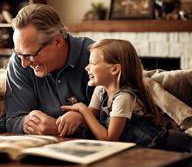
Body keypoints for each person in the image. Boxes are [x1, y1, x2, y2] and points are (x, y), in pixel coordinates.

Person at [61, 39, 191, 151]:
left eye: (92, 63)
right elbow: (91, 118)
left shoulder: (123, 98)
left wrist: (82, 109)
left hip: (165, 143)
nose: (86, 68)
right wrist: (75, 115)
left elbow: (109, 138)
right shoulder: (101, 90)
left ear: (115, 69)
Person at [5, 3, 95, 136]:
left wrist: (80, 122)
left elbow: (115, 122)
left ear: (57, 41)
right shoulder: (19, 61)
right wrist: (27, 123)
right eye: (18, 53)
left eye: (31, 55)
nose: (23, 63)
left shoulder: (95, 58)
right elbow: (13, 118)